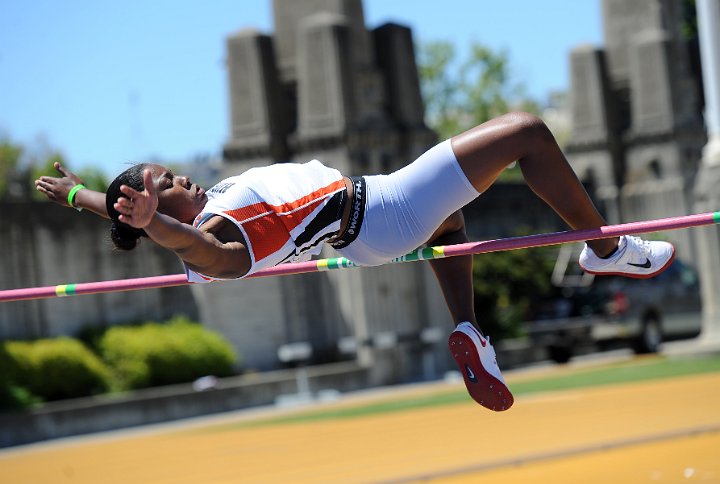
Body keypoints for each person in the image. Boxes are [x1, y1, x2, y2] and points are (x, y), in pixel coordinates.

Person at [35, 112, 675, 412]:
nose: (181, 181)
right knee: (528, 134)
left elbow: (140, 218)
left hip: (364, 235)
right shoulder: (212, 235)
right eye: (167, 183)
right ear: (159, 212)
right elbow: (212, 254)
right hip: (381, 207)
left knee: (450, 220)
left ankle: (469, 329)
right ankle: (607, 248)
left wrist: (79, 195)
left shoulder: (201, 213)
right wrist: (157, 222)